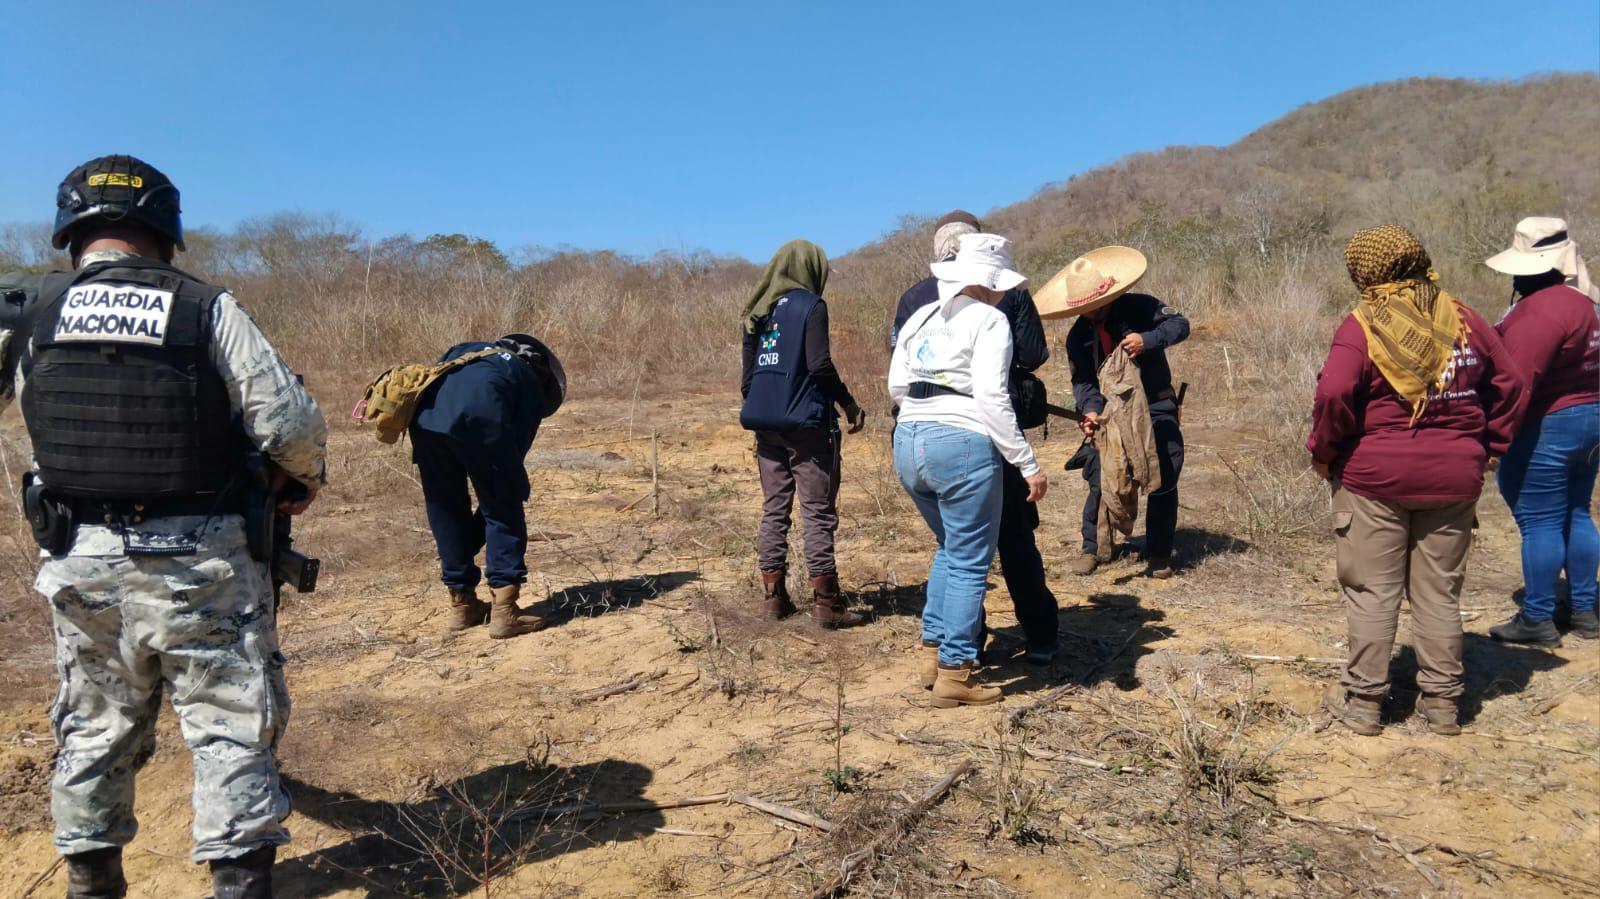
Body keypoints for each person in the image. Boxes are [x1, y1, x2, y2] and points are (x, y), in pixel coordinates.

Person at [0, 156, 327, 897]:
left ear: (70, 232)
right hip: (200, 564)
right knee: (229, 729)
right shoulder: (205, 307)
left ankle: (91, 882)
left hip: (79, 564)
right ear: (165, 232)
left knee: (93, 728)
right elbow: (290, 423)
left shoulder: (25, 312)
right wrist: (301, 478)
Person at [1308, 224, 1526, 737]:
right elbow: (1512, 384)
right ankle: (1443, 705)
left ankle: (1364, 703)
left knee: (1372, 593)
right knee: (1439, 595)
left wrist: (1324, 452)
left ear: (1363, 272)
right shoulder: (1465, 318)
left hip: (1374, 479)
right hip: (1454, 479)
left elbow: (1335, 392)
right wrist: (1490, 446)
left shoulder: (1361, 324)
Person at [892, 210, 1058, 665]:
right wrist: (1027, 463)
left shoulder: (916, 309)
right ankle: (964, 663)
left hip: (910, 439)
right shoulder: (993, 315)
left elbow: (896, 385)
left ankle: (936, 642)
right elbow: (1004, 382)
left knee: (951, 546)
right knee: (991, 552)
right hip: (973, 440)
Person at [1484, 217, 1600, 646]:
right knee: (1576, 511)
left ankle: (1537, 618)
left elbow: (1516, 385)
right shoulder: (1585, 303)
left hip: (1549, 425)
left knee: (1540, 522)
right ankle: (1585, 610)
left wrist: (1493, 439)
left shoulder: (1539, 313)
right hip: (1591, 419)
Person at [740, 239, 867, 627]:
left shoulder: (756, 312)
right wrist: (848, 404)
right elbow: (819, 365)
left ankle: (773, 599)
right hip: (807, 427)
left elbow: (747, 383)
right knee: (816, 511)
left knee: (774, 509)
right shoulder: (812, 306)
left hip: (765, 426)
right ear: (809, 269)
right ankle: (827, 604)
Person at [410, 334, 566, 638]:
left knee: (445, 507)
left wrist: (464, 543)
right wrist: (495, 507)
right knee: (504, 502)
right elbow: (509, 473)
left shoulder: (465, 351)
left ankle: (462, 606)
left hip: (424, 423)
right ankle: (505, 613)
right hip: (480, 419)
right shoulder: (526, 379)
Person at [1046, 246, 1188, 577]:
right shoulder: (1077, 337)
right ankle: (1093, 548)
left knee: (1165, 471)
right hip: (1110, 414)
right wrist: (1091, 411)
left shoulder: (1141, 306)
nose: (1092, 314)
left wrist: (1148, 339)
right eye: (1085, 310)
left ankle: (1158, 555)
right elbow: (1083, 382)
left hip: (1155, 403)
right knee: (1100, 474)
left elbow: (1181, 325)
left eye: (1096, 307)